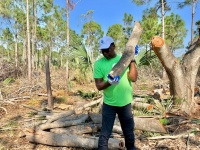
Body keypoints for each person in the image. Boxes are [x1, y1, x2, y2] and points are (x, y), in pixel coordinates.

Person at [93, 36, 138, 150]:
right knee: (105, 134)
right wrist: (109, 82)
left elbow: (133, 78)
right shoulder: (99, 64)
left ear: (113, 46)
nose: (105, 53)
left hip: (125, 104)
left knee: (129, 133)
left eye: (107, 50)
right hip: (109, 104)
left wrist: (132, 60)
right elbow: (98, 86)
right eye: (102, 51)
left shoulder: (124, 60)